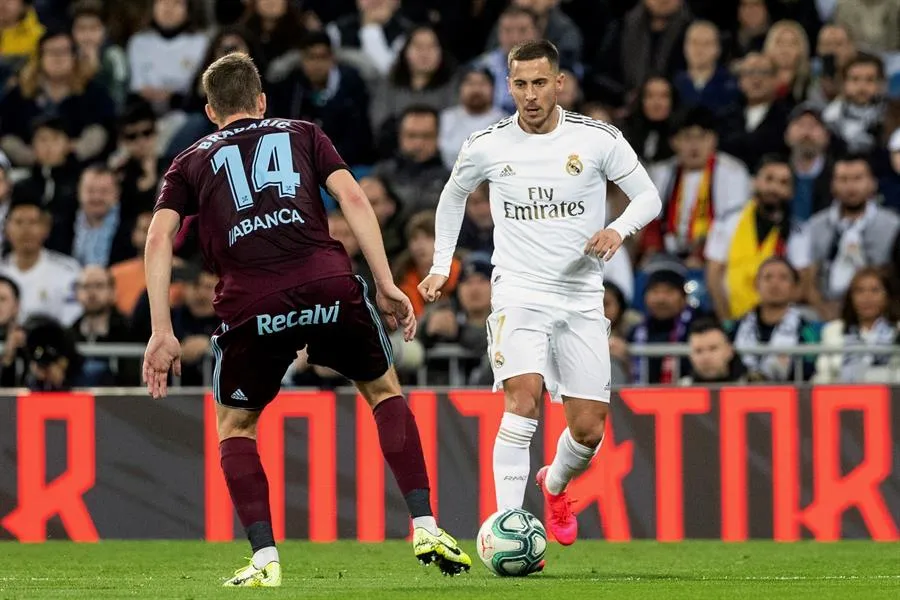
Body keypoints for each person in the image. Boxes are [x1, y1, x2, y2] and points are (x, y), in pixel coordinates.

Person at [142, 52, 470, 587]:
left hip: (251, 304)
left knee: (236, 425)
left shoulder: (188, 161)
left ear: (209, 110)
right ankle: (427, 526)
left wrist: (162, 330)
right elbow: (355, 199)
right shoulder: (302, 132)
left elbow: (158, 238)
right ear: (262, 100)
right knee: (384, 391)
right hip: (327, 286)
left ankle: (266, 559)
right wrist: (387, 282)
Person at [419, 40, 661, 550]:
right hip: (519, 291)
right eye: (520, 84)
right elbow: (453, 196)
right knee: (521, 400)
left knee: (590, 430)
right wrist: (442, 265)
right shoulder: (488, 144)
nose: (530, 95)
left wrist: (617, 230)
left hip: (580, 296)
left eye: (539, 83)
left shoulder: (597, 139)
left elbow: (649, 196)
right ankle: (508, 527)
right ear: (509, 86)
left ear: (559, 83)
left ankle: (553, 485)